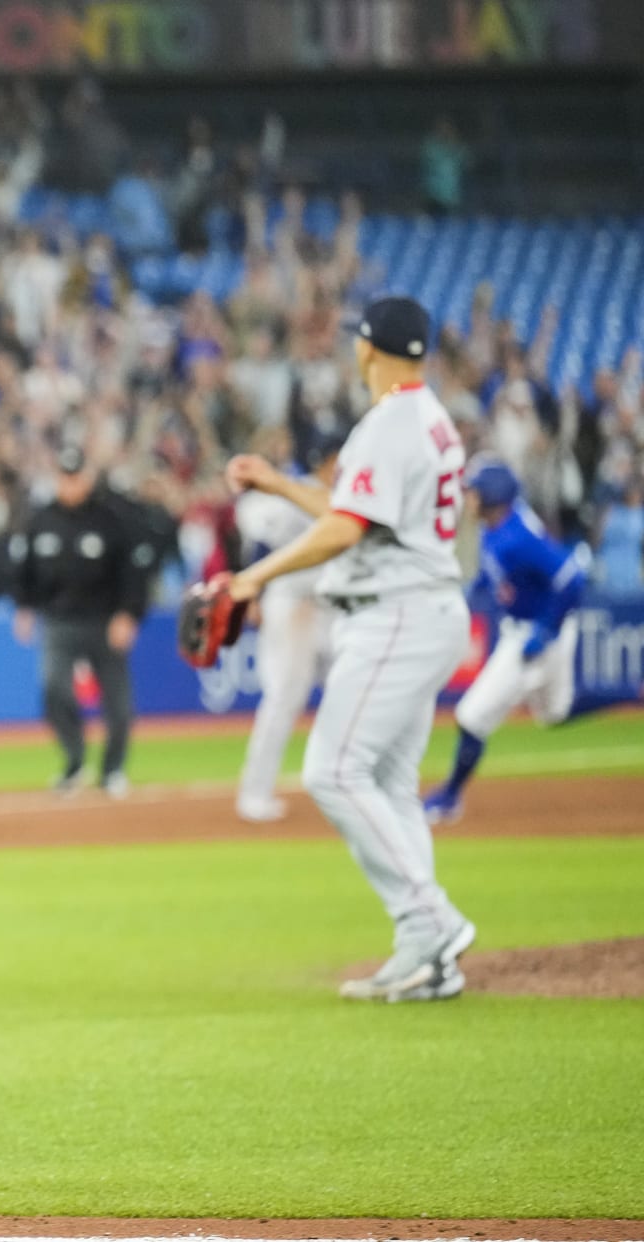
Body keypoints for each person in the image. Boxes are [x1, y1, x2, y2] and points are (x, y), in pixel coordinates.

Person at [223, 296, 474, 1003]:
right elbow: (352, 513)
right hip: (421, 610)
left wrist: (252, 576)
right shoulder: (428, 417)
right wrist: (277, 483)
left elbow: (346, 531)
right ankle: (427, 960)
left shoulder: (390, 423)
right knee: (389, 785)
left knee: (333, 771)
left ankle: (429, 921)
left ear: (366, 349)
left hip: (395, 614)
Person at [422, 458, 588, 823]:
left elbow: (572, 580)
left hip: (536, 634)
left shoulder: (518, 536)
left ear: (494, 497)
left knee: (471, 716)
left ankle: (449, 798)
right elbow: (496, 571)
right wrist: (474, 589)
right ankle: (631, 692)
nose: (469, 498)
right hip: (528, 629)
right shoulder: (495, 527)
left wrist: (546, 629)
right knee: (554, 713)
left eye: (475, 492)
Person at [9, 444, 158, 797]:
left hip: (104, 621)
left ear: (87, 478)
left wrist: (128, 614)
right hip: (59, 621)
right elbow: (24, 571)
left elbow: (133, 572)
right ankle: (75, 760)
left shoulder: (111, 519)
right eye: (65, 477)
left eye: (76, 477)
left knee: (118, 703)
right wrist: (24, 608)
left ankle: (112, 770)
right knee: (53, 689)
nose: (71, 484)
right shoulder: (41, 520)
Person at [231, 433, 341, 823]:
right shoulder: (305, 492)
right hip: (292, 604)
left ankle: (343, 780)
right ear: (328, 460)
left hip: (327, 606)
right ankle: (254, 793)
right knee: (283, 699)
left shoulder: (327, 493)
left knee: (349, 690)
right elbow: (261, 543)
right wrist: (256, 593)